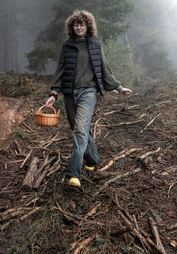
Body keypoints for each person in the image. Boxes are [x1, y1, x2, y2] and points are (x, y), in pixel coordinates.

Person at [45, 10, 132, 188]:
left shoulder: (95, 46)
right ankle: (92, 159)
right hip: (69, 94)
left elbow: (105, 69)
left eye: (82, 24)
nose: (79, 27)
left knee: (79, 130)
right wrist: (54, 94)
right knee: (80, 129)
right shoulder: (66, 46)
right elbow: (60, 71)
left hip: (88, 93)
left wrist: (119, 87)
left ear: (88, 27)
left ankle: (73, 174)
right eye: (76, 24)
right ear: (72, 27)